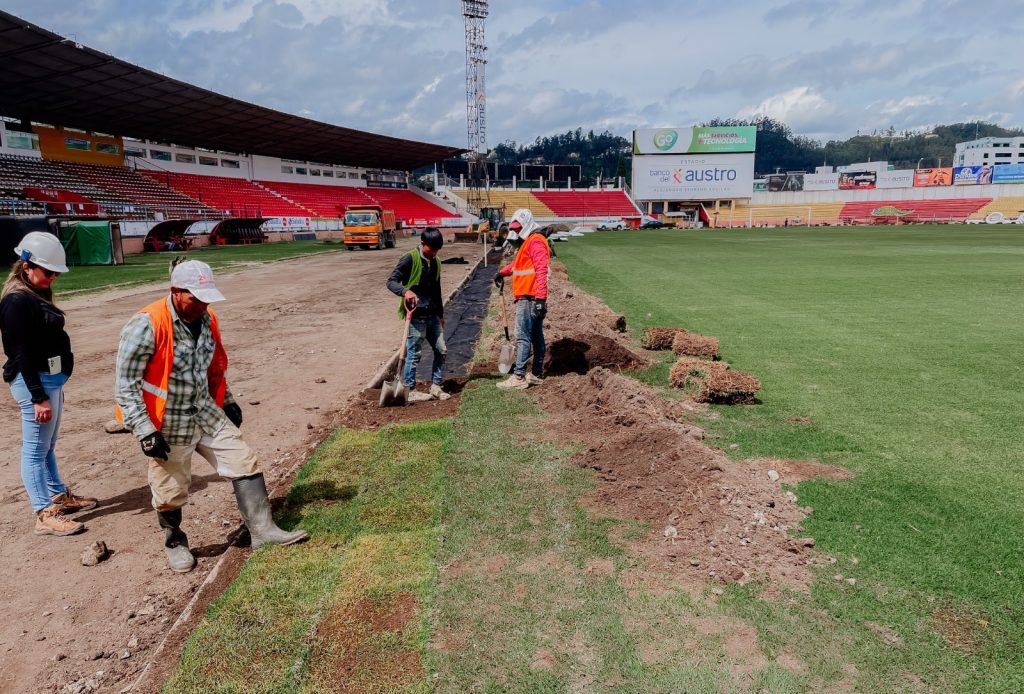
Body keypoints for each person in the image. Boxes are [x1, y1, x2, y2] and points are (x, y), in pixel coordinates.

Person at [114, 260, 307, 572]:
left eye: (206, 298)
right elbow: (126, 385)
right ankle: (175, 540)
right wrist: (144, 430)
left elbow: (213, 364)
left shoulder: (207, 319)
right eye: (196, 298)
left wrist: (227, 399)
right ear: (176, 291)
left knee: (243, 460)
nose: (202, 305)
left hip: (205, 410)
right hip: (168, 421)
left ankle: (262, 531)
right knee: (170, 489)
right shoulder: (146, 324)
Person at [1, 232, 97, 536]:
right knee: (34, 449)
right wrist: (38, 396)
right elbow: (20, 353)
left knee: (47, 446)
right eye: (48, 271)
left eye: (56, 272)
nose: (53, 277)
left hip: (48, 381)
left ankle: (58, 496)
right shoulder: (16, 301)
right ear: (27, 265)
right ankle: (43, 513)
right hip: (35, 384)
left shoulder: (34, 293)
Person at [385, 227, 450, 402]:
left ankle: (436, 385)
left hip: (432, 316)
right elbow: (391, 282)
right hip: (415, 317)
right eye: (432, 249)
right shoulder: (409, 259)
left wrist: (440, 314)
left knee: (441, 349)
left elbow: (437, 290)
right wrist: (405, 291)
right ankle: (410, 389)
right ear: (422, 244)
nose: (434, 253)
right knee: (414, 355)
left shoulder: (435, 261)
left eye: (437, 250)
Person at [494, 208, 550, 390]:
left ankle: (519, 377)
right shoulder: (529, 241)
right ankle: (535, 374)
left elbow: (542, 270)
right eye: (515, 228)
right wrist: (502, 273)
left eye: (518, 228)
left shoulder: (535, 242)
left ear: (527, 224)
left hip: (529, 297)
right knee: (535, 336)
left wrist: (541, 298)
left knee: (523, 337)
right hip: (531, 297)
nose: (516, 231)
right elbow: (519, 265)